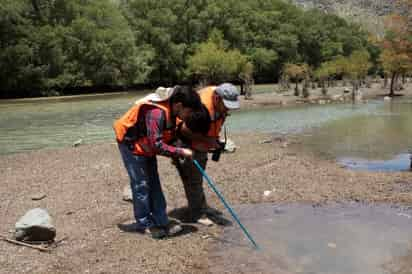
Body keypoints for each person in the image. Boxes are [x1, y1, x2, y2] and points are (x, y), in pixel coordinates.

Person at [113, 86, 201, 239]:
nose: (188, 116)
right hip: (131, 144)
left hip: (146, 145)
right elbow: (157, 145)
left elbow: (167, 139)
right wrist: (180, 152)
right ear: (179, 106)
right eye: (188, 112)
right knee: (141, 184)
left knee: (154, 182)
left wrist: (181, 150)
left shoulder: (174, 113)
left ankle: (161, 219)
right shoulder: (156, 113)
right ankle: (144, 223)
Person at [174, 83, 240, 225]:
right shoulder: (201, 109)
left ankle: (201, 207)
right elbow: (184, 131)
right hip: (185, 142)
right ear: (217, 98)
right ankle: (197, 213)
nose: (228, 109)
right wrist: (208, 140)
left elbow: (217, 121)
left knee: (198, 177)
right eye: (226, 105)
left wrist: (213, 140)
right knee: (192, 179)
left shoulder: (219, 103)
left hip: (200, 140)